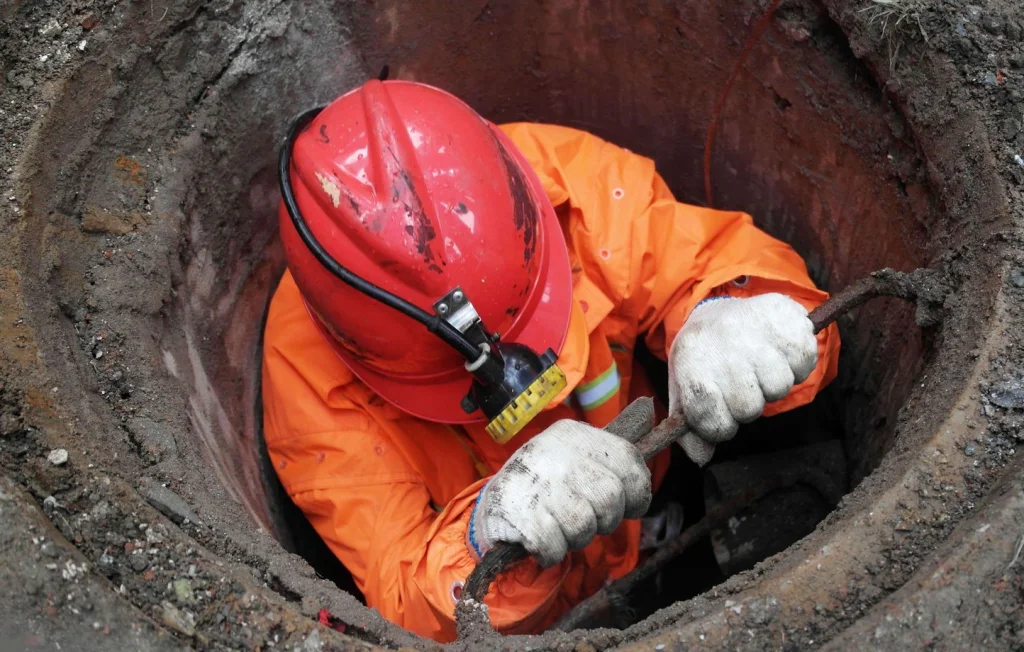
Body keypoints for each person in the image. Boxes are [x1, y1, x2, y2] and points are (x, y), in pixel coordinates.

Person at [261, 79, 839, 642]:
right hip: (530, 613)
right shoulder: (308, 383)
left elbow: (698, 255)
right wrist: (486, 533)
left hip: (641, 501)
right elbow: (404, 598)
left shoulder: (570, 186)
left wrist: (731, 309)